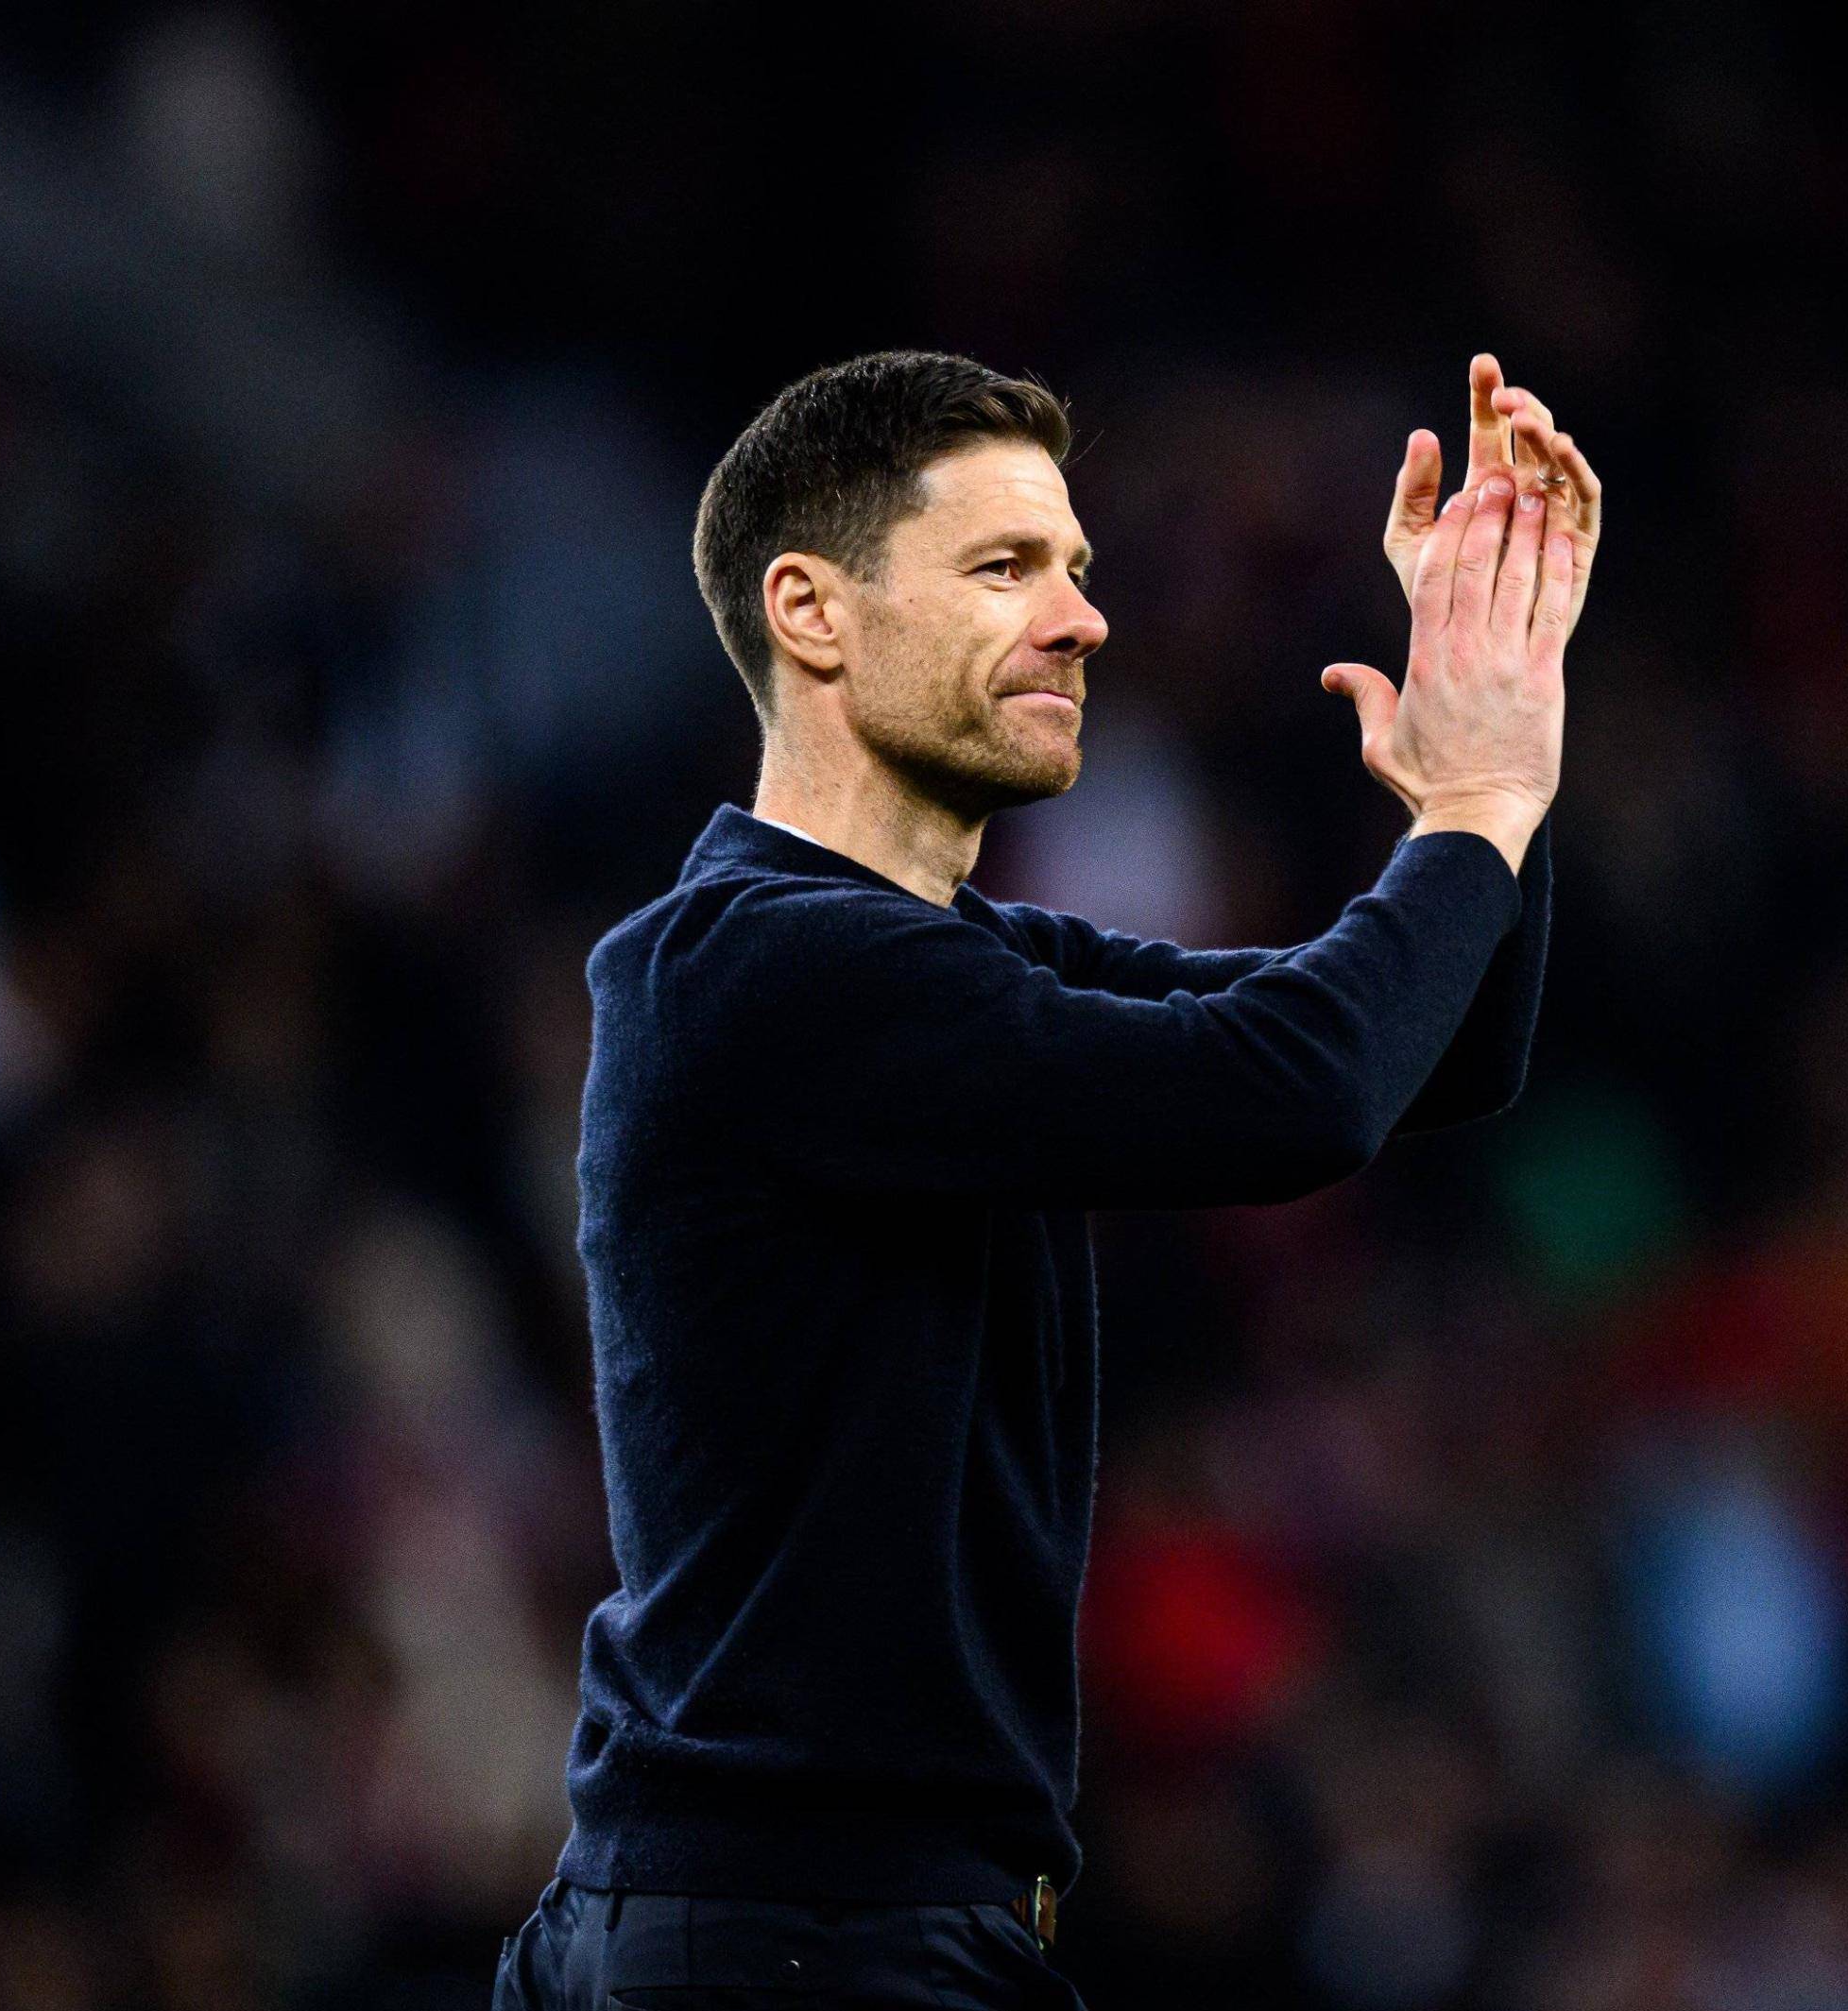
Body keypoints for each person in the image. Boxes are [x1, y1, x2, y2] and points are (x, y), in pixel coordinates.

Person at [497, 349, 1601, 2009]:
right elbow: (1291, 1091)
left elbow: (1430, 1061)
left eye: (1076, 568)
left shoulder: (939, 962)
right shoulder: (753, 965)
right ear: (811, 612)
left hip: (809, 1924)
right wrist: (1474, 807)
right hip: (796, 1938)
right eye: (1006, 566)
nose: (1084, 618)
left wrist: (1491, 754)